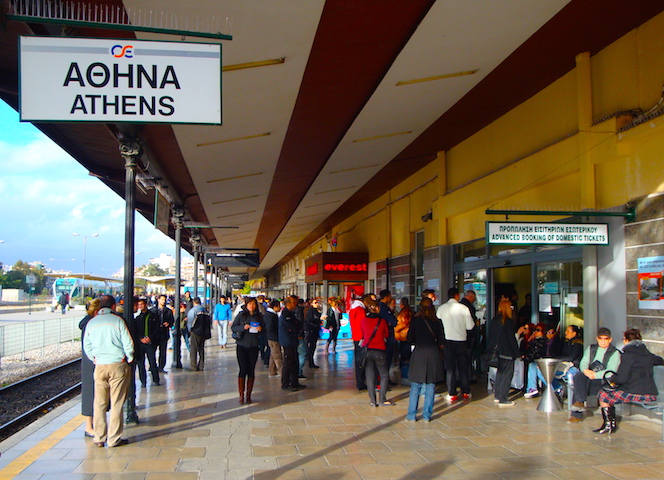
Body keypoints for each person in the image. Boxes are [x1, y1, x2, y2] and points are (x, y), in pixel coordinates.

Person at [82, 295, 134, 448]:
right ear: (113, 307)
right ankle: (114, 438)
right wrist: (129, 357)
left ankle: (99, 437)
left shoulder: (91, 323)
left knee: (99, 403)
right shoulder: (118, 321)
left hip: (100, 366)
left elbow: (87, 346)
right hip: (117, 364)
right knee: (117, 402)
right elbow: (128, 343)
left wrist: (95, 359)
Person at [595, 328, 664, 434]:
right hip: (650, 392)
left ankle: (609, 425)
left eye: (624, 339)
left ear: (627, 340)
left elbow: (621, 379)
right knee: (608, 394)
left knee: (603, 395)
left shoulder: (627, 355)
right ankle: (610, 424)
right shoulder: (647, 355)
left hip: (636, 392)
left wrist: (612, 378)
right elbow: (660, 360)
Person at [568, 327, 621, 422]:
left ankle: (578, 405)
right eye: (601, 338)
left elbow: (611, 371)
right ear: (597, 339)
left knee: (579, 384)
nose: (603, 341)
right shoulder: (591, 348)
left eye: (606, 339)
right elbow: (584, 361)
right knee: (579, 377)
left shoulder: (614, 352)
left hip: (603, 380)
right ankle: (579, 403)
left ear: (610, 340)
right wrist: (586, 371)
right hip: (589, 376)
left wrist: (595, 375)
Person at [405, 300, 445, 421]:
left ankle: (411, 414)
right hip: (433, 354)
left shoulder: (416, 321)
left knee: (415, 386)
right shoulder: (437, 322)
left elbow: (409, 339)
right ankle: (427, 415)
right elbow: (442, 341)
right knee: (430, 386)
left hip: (419, 354)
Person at [437, 287, 475, 402]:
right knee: (463, 367)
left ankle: (452, 393)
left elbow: (439, 325)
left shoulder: (441, 308)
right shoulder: (464, 308)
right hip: (461, 341)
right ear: (457, 295)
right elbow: (470, 326)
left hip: (447, 342)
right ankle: (465, 391)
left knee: (450, 368)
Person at [360, 297, 394, 407]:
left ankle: (372, 401)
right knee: (384, 375)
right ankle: (383, 399)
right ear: (377, 308)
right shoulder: (382, 321)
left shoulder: (363, 321)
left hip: (368, 351)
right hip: (380, 351)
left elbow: (363, 335)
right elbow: (387, 335)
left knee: (370, 376)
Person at [486, 298, 520, 407]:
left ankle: (498, 395)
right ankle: (503, 398)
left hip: (496, 352)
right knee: (507, 375)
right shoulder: (508, 321)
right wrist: (517, 353)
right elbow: (511, 339)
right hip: (507, 352)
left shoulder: (495, 320)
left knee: (500, 374)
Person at [232, 297, 266, 404]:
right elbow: (233, 327)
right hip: (242, 345)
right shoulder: (241, 315)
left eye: (253, 304)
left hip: (254, 346)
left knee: (251, 370)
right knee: (243, 369)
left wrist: (260, 329)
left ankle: (248, 395)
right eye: (249, 304)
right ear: (246, 305)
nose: (251, 306)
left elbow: (264, 330)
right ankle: (241, 394)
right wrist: (243, 327)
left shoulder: (259, 316)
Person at [79, 297, 101, 438]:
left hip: (91, 360)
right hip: (92, 361)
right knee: (91, 393)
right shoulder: (90, 324)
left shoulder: (87, 323)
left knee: (94, 392)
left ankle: (93, 424)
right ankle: (89, 426)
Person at [524, 325, 563, 398]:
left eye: (552, 332)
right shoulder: (543, 342)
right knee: (532, 365)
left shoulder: (558, 342)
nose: (550, 334)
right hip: (544, 362)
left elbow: (557, 354)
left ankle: (556, 387)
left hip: (553, 363)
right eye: (548, 332)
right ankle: (532, 388)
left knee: (541, 371)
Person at [279, 296, 306, 391]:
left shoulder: (291, 313)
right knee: (288, 363)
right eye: (294, 302)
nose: (296, 304)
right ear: (288, 304)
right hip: (288, 341)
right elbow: (293, 326)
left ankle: (294, 382)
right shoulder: (286, 314)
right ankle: (286, 383)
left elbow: (298, 324)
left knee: (295, 362)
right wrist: (296, 326)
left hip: (293, 340)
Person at [135, 298, 161, 387]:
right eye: (139, 305)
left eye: (142, 304)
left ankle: (156, 379)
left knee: (152, 362)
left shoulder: (153, 316)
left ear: (146, 304)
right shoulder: (138, 318)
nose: (140, 306)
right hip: (141, 343)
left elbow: (157, 328)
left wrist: (150, 337)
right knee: (141, 363)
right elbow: (136, 331)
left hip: (151, 342)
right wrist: (140, 339)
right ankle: (143, 381)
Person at [350, 294, 370, 390]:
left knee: (358, 360)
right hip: (361, 338)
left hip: (356, 336)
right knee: (361, 360)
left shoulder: (353, 308)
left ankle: (360, 381)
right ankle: (361, 382)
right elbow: (363, 324)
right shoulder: (361, 310)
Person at [153, 294, 174, 374]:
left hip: (164, 333)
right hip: (155, 334)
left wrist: (168, 323)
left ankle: (161, 366)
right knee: (153, 351)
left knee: (163, 351)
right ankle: (153, 366)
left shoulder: (168, 311)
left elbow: (172, 321)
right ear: (158, 300)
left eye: (164, 300)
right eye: (162, 299)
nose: (163, 301)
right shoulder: (153, 311)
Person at [187, 297, 210, 371]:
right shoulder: (205, 310)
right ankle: (201, 365)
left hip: (196, 331)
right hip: (203, 332)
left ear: (194, 302)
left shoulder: (193, 310)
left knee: (193, 349)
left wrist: (190, 329)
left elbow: (190, 321)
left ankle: (193, 366)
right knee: (201, 349)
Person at [394, 298, 413, 380]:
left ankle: (405, 374)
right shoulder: (406, 310)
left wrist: (396, 329)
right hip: (404, 335)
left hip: (403, 335)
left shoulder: (405, 312)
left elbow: (403, 323)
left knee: (404, 354)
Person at [264, 299, 283, 377]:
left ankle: (272, 371)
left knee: (273, 354)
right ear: (275, 306)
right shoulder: (271, 315)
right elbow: (271, 327)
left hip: (271, 337)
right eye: (279, 306)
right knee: (277, 355)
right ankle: (282, 371)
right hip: (273, 338)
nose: (280, 308)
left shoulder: (268, 314)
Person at [304, 298, 323, 369]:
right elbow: (309, 321)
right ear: (311, 304)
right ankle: (310, 361)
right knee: (311, 346)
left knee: (313, 346)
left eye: (317, 302)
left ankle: (311, 361)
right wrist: (316, 323)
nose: (317, 304)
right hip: (311, 331)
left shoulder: (316, 311)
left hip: (315, 331)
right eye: (315, 303)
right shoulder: (310, 311)